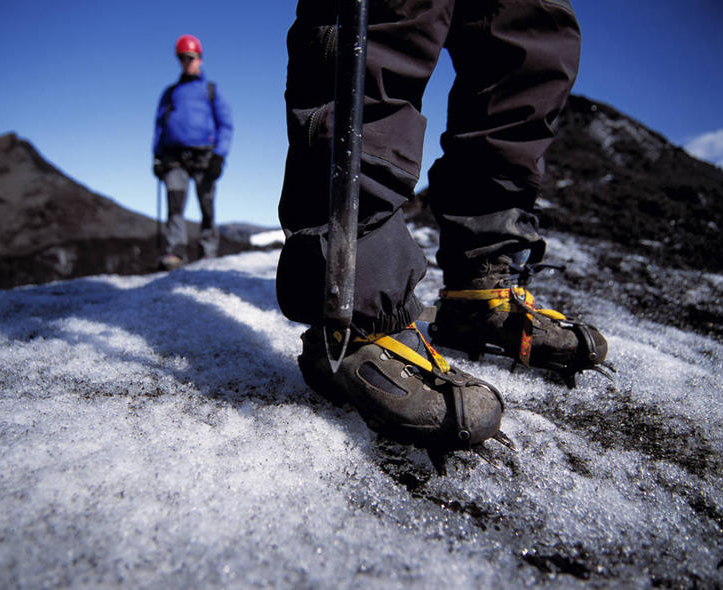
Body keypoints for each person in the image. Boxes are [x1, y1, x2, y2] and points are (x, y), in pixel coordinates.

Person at [277, 0, 608, 468]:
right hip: (347, 268)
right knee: (391, 18)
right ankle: (357, 307)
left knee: (528, 36)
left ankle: (484, 280)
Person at [153, 34, 233, 269]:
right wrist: (157, 156)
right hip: (173, 156)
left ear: (200, 58)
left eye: (191, 57)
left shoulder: (211, 91)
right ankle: (176, 252)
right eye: (182, 58)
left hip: (205, 156)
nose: (187, 62)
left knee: (206, 205)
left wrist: (219, 155)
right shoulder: (170, 93)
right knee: (175, 204)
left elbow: (226, 125)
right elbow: (159, 126)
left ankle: (208, 253)